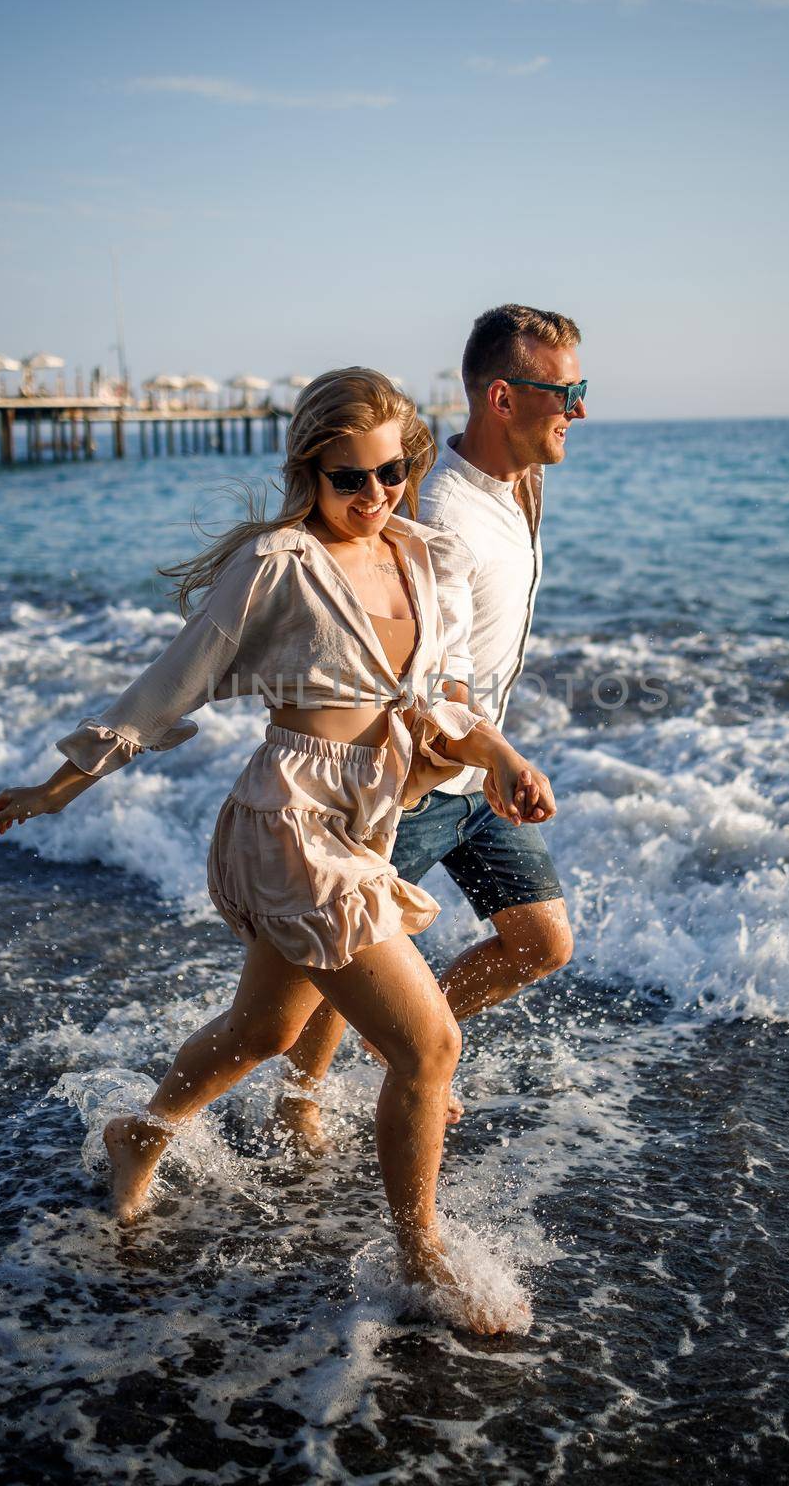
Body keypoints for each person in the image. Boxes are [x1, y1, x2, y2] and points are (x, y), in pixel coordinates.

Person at [0, 367, 555, 1335]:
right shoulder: (277, 565)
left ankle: (141, 1131)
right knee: (430, 1043)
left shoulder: (417, 553)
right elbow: (162, 693)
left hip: (363, 824)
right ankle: (420, 1257)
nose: (371, 496)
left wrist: (497, 754)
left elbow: (438, 706)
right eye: (347, 478)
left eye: (388, 471)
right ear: (309, 471)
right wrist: (55, 786)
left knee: (266, 1032)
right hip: (291, 827)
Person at [279, 305, 584, 1145]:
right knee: (324, 970)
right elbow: (431, 674)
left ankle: (407, 1041)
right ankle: (298, 1100)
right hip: (415, 781)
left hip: (471, 778)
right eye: (565, 391)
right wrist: (498, 752)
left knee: (539, 941)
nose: (580, 409)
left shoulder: (520, 486)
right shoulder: (442, 514)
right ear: (500, 397)